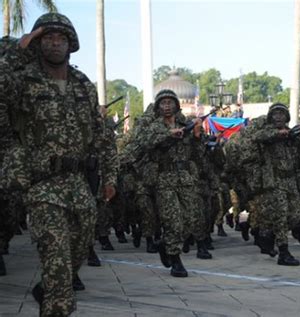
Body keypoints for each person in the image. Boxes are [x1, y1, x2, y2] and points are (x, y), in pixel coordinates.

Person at [0, 13, 117, 316]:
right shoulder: (22, 79)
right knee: (57, 261)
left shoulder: (83, 84)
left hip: (77, 182)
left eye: (60, 38)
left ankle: (51, 287)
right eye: (47, 37)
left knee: (78, 250)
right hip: (40, 183)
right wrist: (17, 52)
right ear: (37, 44)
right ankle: (56, 300)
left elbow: (102, 135)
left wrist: (110, 177)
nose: (54, 43)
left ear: (70, 43)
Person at [133, 89, 211, 277]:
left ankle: (165, 244)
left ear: (176, 105)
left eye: (170, 102)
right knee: (173, 220)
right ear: (158, 106)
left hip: (185, 177)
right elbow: (143, 142)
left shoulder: (185, 124)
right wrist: (169, 134)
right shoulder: (154, 126)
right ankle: (175, 259)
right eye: (163, 103)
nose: (167, 106)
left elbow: (198, 153)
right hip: (164, 178)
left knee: (191, 219)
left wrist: (198, 136)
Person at [252, 103, 300, 266]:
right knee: (281, 215)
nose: (279, 117)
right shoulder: (267, 132)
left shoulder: (289, 134)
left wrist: (299, 135)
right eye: (275, 114)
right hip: (275, 181)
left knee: (295, 215)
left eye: (282, 114)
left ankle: (267, 233)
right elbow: (258, 137)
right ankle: (283, 251)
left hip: (290, 180)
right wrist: (278, 134)